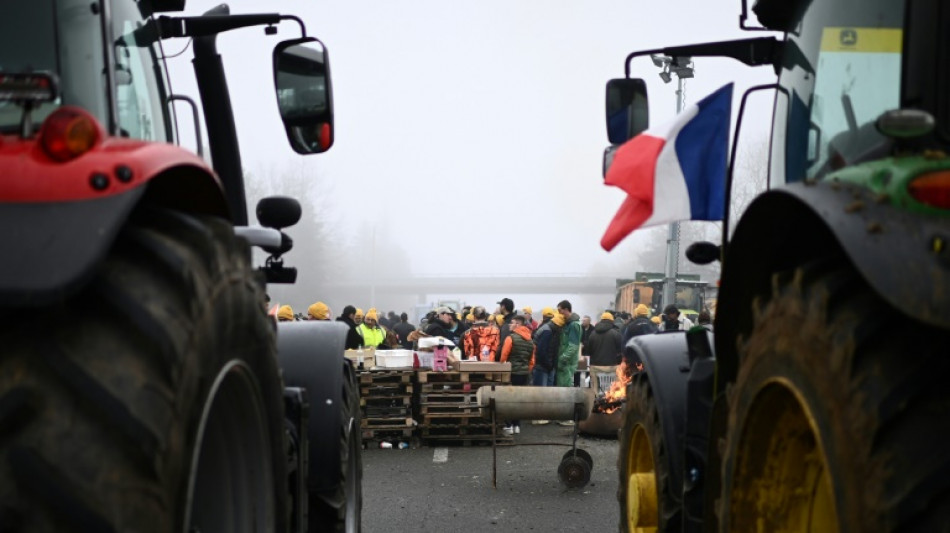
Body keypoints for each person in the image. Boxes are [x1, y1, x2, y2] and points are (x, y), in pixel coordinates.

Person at [499, 313, 536, 435]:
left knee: (508, 399)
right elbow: (532, 360)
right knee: (518, 399)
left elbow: (504, 356)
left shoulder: (511, 338)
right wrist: (526, 369)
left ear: (518, 324)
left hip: (511, 372)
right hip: (524, 373)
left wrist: (502, 366)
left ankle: (508, 425)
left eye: (512, 322)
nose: (510, 325)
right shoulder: (530, 339)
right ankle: (517, 425)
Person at [585, 311, 623, 395]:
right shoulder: (615, 334)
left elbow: (588, 352)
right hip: (612, 367)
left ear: (601, 321)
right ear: (612, 321)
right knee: (618, 377)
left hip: (596, 367)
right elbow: (620, 351)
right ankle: (614, 398)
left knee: (594, 387)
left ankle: (595, 399)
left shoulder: (592, 334)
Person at [555, 300, 583, 388]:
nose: (559, 314)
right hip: (564, 362)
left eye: (560, 311)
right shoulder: (567, 324)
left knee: (564, 388)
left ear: (566, 310)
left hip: (567, 363)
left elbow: (573, 346)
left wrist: (563, 358)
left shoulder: (574, 325)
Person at [621, 304, 657, 369]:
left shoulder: (631, 326)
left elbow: (625, 343)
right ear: (646, 313)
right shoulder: (653, 325)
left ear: (637, 313)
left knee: (634, 377)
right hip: (649, 358)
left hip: (633, 358)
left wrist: (625, 355)